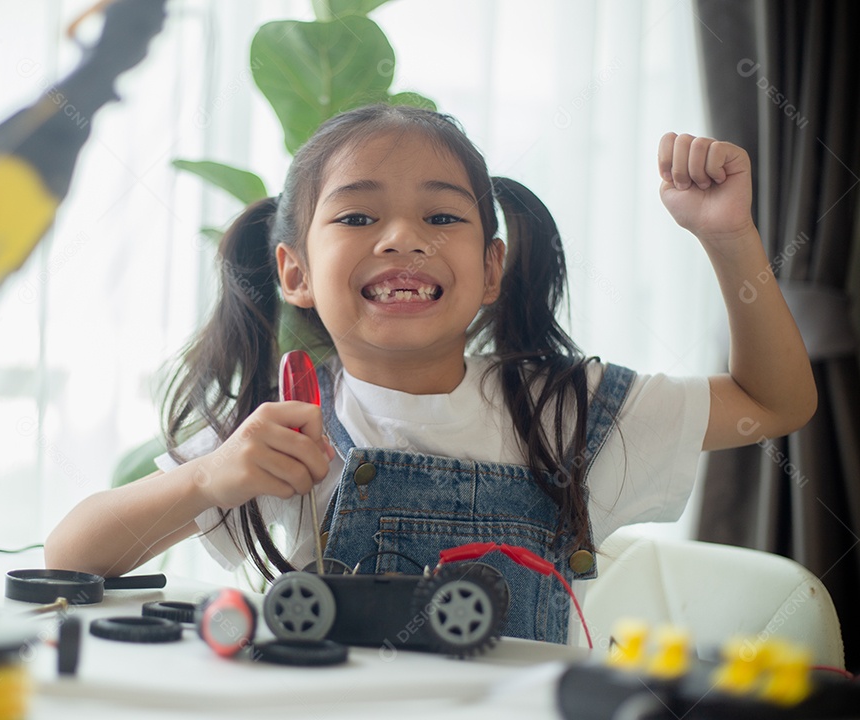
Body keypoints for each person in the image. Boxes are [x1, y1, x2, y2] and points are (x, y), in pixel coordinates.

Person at [45, 104, 816, 645]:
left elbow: (773, 402)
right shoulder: (283, 421)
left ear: (491, 270)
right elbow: (70, 558)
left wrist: (729, 237)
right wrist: (209, 478)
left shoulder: (564, 410)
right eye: (357, 217)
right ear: (295, 271)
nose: (404, 238)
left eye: (442, 217)